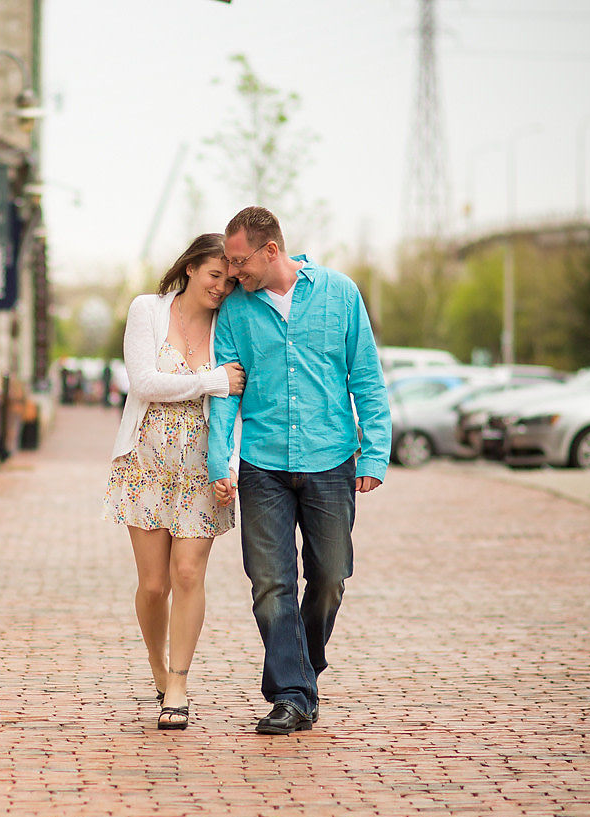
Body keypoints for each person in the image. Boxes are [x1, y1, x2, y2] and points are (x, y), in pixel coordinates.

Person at [206, 206, 390, 735]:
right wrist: (221, 460)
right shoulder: (236, 314)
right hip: (262, 463)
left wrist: (375, 452)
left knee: (330, 578)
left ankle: (302, 669)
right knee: (270, 583)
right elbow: (225, 396)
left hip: (332, 459)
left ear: (271, 250)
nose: (232, 272)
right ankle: (290, 693)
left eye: (239, 261)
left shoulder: (339, 294)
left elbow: (367, 379)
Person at [103, 233, 246, 730]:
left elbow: (240, 401)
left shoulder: (231, 323)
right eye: (214, 276)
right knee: (153, 583)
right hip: (144, 464)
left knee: (188, 574)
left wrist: (231, 463)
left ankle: (179, 685)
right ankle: (156, 663)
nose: (222, 288)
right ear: (190, 269)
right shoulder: (147, 310)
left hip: (202, 468)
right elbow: (143, 381)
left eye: (229, 281)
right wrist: (210, 380)